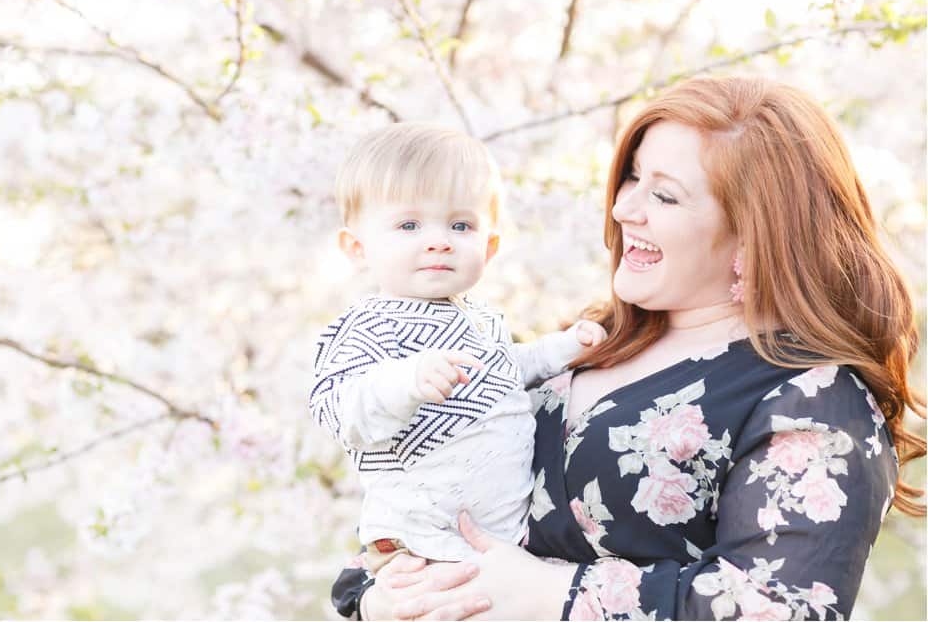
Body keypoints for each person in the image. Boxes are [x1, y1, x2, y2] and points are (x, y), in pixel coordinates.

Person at [330, 76, 925, 620]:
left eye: (664, 196)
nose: (623, 208)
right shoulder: (589, 342)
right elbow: (415, 495)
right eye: (632, 177)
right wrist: (377, 598)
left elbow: (784, 608)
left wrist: (551, 597)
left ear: (757, 228)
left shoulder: (812, 399)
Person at [310, 122, 605, 574]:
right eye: (408, 224)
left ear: (488, 248)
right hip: (421, 544)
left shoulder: (481, 319)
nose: (439, 240)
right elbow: (338, 409)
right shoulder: (368, 327)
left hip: (504, 539)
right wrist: (405, 382)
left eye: (460, 225)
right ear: (357, 248)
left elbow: (505, 370)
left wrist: (559, 350)